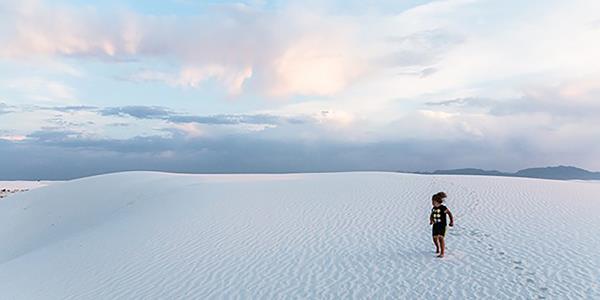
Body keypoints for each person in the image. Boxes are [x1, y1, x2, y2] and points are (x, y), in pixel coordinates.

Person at [430, 192, 454, 258]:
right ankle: (437, 247)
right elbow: (432, 215)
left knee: (441, 237)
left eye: (433, 202)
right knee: (434, 238)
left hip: (442, 225)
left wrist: (451, 221)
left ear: (438, 202)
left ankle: (442, 252)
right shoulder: (433, 208)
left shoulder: (443, 208)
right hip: (435, 225)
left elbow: (449, 214)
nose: (432, 203)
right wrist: (431, 220)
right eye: (432, 202)